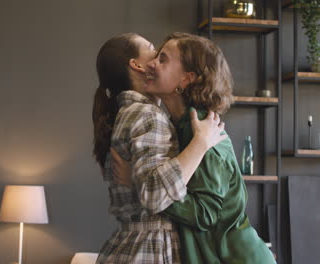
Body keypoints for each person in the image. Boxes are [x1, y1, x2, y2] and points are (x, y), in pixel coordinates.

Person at [113, 32, 276, 263]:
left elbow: (205, 213)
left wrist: (141, 185)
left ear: (185, 80)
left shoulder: (202, 130)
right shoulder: (179, 128)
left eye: (162, 59)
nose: (151, 64)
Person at [92, 33, 226, 264]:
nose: (156, 58)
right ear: (137, 65)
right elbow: (154, 195)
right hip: (151, 249)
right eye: (153, 50)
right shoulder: (147, 115)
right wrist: (200, 143)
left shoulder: (128, 113)